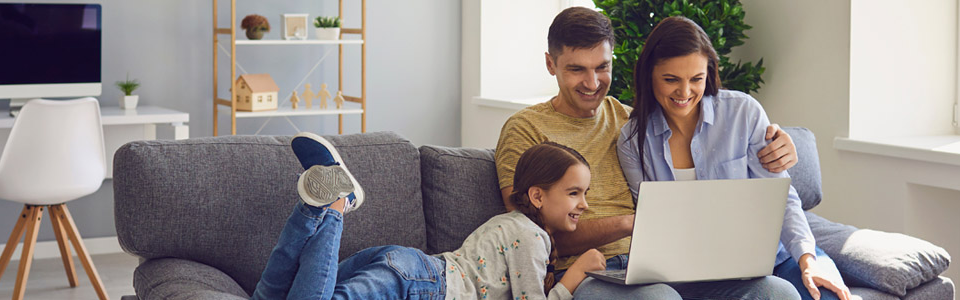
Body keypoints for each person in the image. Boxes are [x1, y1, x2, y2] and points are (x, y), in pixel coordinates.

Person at [494, 7, 802, 299]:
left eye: (602, 67)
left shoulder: (630, 124)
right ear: (551, 64)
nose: (592, 83)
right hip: (584, 273)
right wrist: (630, 223)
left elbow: (693, 126)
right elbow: (527, 233)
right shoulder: (525, 129)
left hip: (658, 267)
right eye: (577, 70)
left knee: (778, 292)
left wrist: (778, 141)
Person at [616, 16, 854, 300]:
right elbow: (650, 226)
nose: (685, 91)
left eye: (697, 79)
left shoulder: (744, 112)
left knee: (828, 296)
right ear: (649, 76)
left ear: (709, 73)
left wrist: (808, 260)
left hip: (777, 258)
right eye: (671, 80)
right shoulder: (633, 141)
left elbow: (782, 198)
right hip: (692, 275)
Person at [251, 133, 606, 299]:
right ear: (538, 196)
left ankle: (312, 207)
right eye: (574, 193)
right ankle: (336, 205)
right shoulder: (531, 237)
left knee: (274, 296)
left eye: (584, 193)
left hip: (407, 266)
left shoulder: (511, 224)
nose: (584, 204)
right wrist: (574, 275)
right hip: (422, 283)